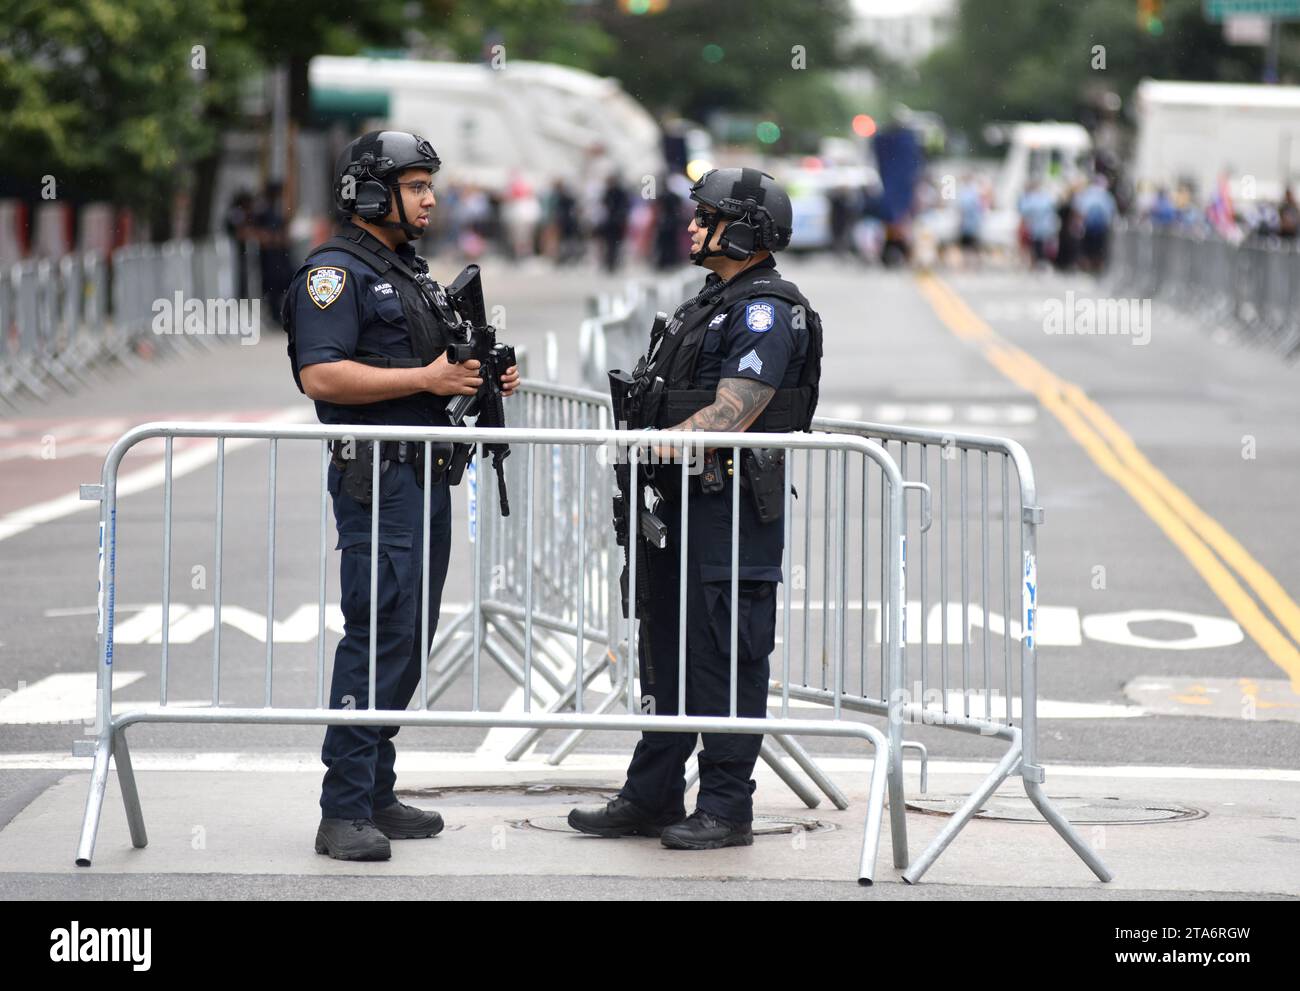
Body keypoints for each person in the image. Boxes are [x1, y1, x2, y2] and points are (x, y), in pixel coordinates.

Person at [568, 168, 822, 850]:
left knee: (727, 653)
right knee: (666, 650)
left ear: (742, 228)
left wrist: (654, 443)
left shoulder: (767, 309)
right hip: (676, 506)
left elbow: (734, 409)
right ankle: (651, 794)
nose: (690, 224)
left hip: (729, 509)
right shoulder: (706, 302)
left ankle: (726, 805)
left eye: (704, 214)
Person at [283, 130, 520, 861]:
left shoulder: (406, 271)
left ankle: (377, 791)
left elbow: (433, 363)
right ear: (371, 193)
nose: (429, 199)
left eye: (428, 186)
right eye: (415, 186)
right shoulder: (335, 273)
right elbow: (321, 377)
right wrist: (426, 381)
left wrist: (476, 375)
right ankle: (343, 807)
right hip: (376, 478)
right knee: (378, 630)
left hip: (424, 473)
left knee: (408, 636)